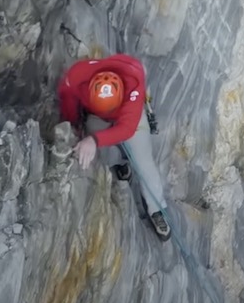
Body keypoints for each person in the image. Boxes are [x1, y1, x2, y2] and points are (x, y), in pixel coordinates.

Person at [57, 53, 170, 241]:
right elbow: (67, 95)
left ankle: (157, 208)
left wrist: (93, 140)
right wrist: (74, 125)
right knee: (99, 152)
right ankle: (121, 164)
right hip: (97, 116)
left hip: (131, 119)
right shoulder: (78, 75)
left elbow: (126, 129)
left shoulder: (133, 78)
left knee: (143, 161)